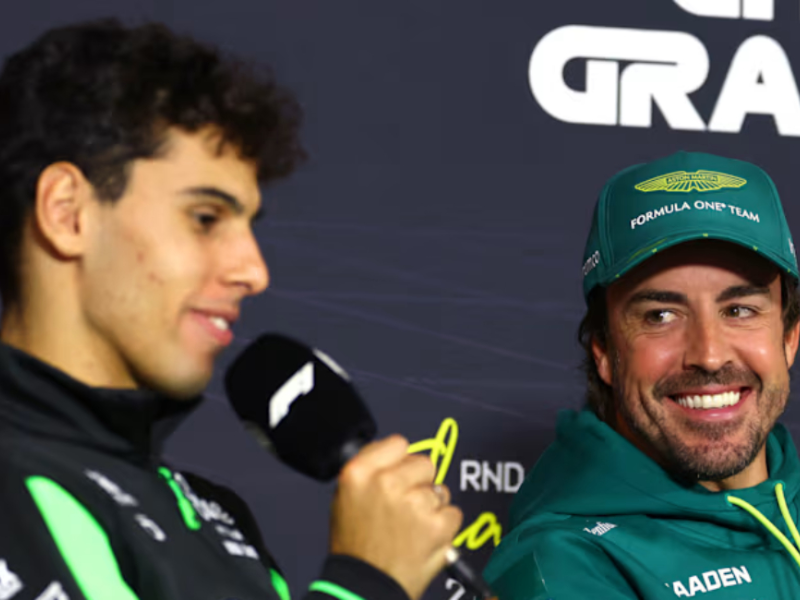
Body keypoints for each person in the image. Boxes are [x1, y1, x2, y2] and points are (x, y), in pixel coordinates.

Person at [0, 19, 462, 600]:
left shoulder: (218, 517)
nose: (253, 270)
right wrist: (367, 584)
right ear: (69, 213)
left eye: (248, 226)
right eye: (205, 219)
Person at [484, 151, 800, 599]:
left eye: (739, 310)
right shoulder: (559, 565)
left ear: (789, 336)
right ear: (605, 352)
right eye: (661, 315)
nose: (709, 356)